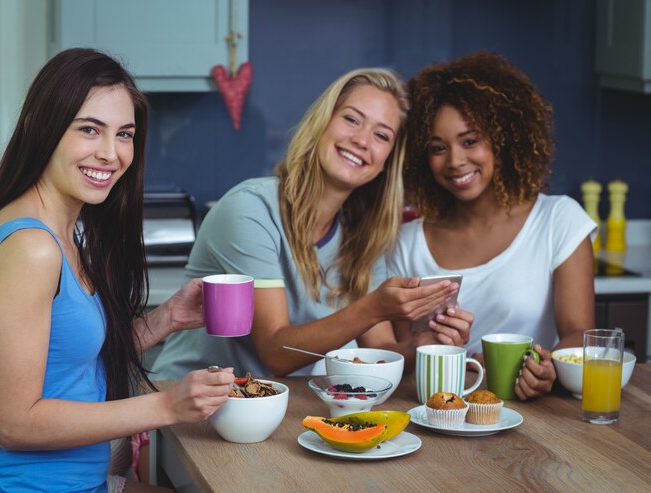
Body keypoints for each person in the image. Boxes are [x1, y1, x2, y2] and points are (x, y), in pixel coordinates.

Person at [0, 48, 235, 493]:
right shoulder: (31, 249)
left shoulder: (63, 235)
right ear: (41, 126)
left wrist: (167, 319)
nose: (111, 153)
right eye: (89, 129)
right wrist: (167, 406)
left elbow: (70, 362)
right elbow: (17, 424)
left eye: (124, 134)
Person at [153, 68, 474, 381]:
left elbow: (381, 352)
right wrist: (374, 307)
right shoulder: (250, 209)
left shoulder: (360, 236)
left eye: (381, 135)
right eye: (351, 119)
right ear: (323, 123)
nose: (362, 140)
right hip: (186, 413)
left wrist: (421, 346)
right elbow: (276, 353)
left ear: (387, 161)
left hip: (269, 411)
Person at [388, 52, 597, 399]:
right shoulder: (406, 244)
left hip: (532, 419)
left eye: (470, 141)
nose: (455, 161)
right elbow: (402, 354)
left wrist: (545, 366)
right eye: (438, 148)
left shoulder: (558, 221)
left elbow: (579, 333)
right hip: (435, 417)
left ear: (504, 139)